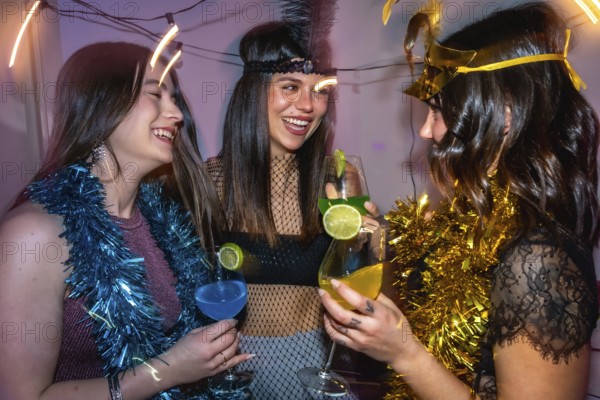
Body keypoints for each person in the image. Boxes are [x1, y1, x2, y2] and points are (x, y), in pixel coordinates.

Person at [319, 3, 599, 400]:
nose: (426, 130)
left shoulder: (540, 259)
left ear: (504, 112)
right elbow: (417, 311)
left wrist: (406, 356)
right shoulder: (470, 217)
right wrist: (373, 238)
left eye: (438, 112)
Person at [0, 41, 252, 400]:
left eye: (174, 100)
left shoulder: (161, 222)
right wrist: (166, 371)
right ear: (104, 105)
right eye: (156, 95)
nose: (177, 114)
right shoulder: (31, 235)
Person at [205, 21, 386, 399]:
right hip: (227, 368)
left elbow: (366, 293)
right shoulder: (211, 181)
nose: (307, 106)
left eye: (319, 90)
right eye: (290, 86)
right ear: (253, 92)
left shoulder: (337, 177)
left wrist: (367, 242)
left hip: (308, 368)